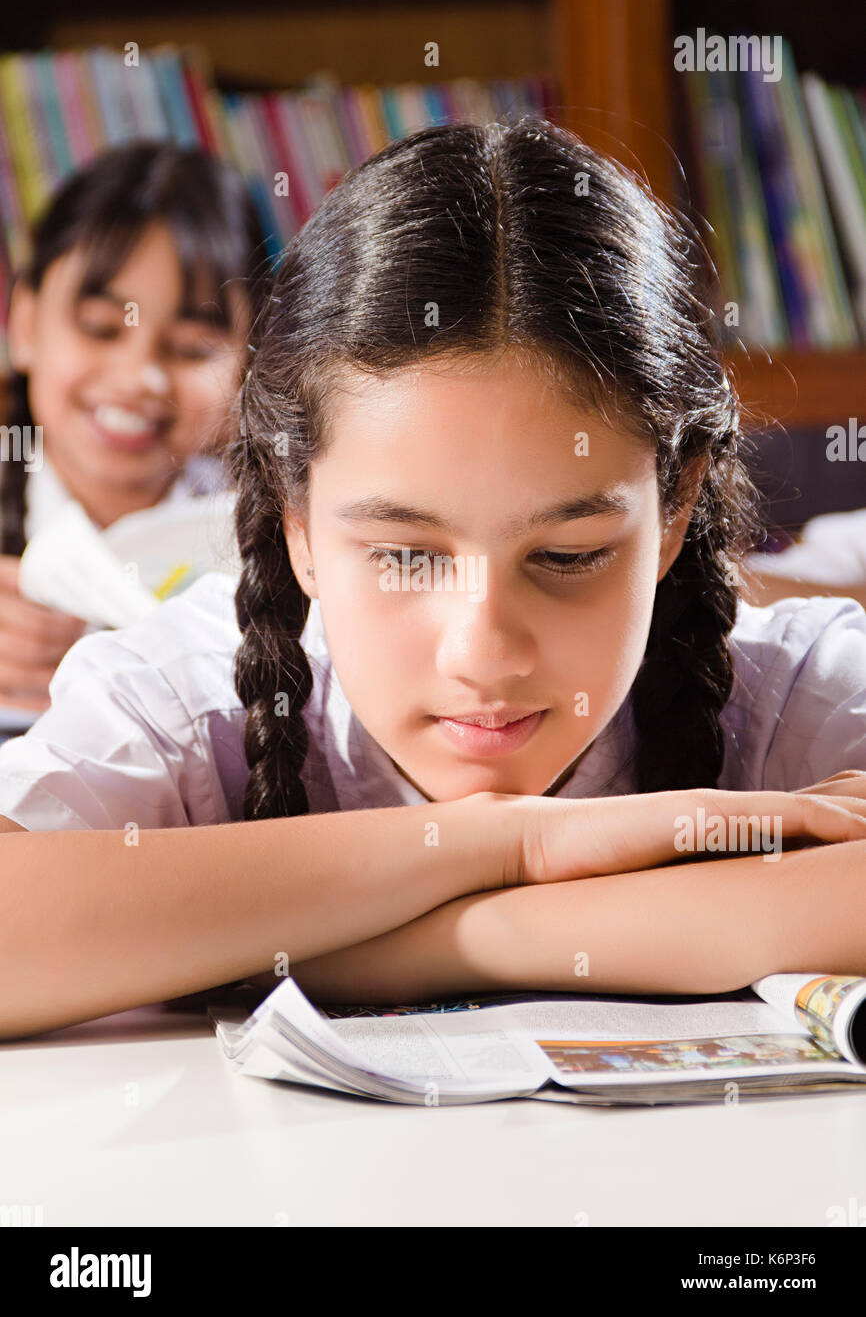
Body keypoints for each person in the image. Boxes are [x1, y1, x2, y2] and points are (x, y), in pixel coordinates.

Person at [2, 117, 866, 1041]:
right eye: (405, 555)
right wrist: (516, 842)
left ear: (676, 509)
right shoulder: (186, 699)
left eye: (568, 556)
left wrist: (434, 936)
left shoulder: (795, 694)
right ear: (296, 517)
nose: (483, 652)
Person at [0, 140, 268, 726]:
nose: (140, 377)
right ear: (24, 324)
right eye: (101, 328)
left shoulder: (287, 537)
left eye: (191, 348)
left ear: (249, 364)